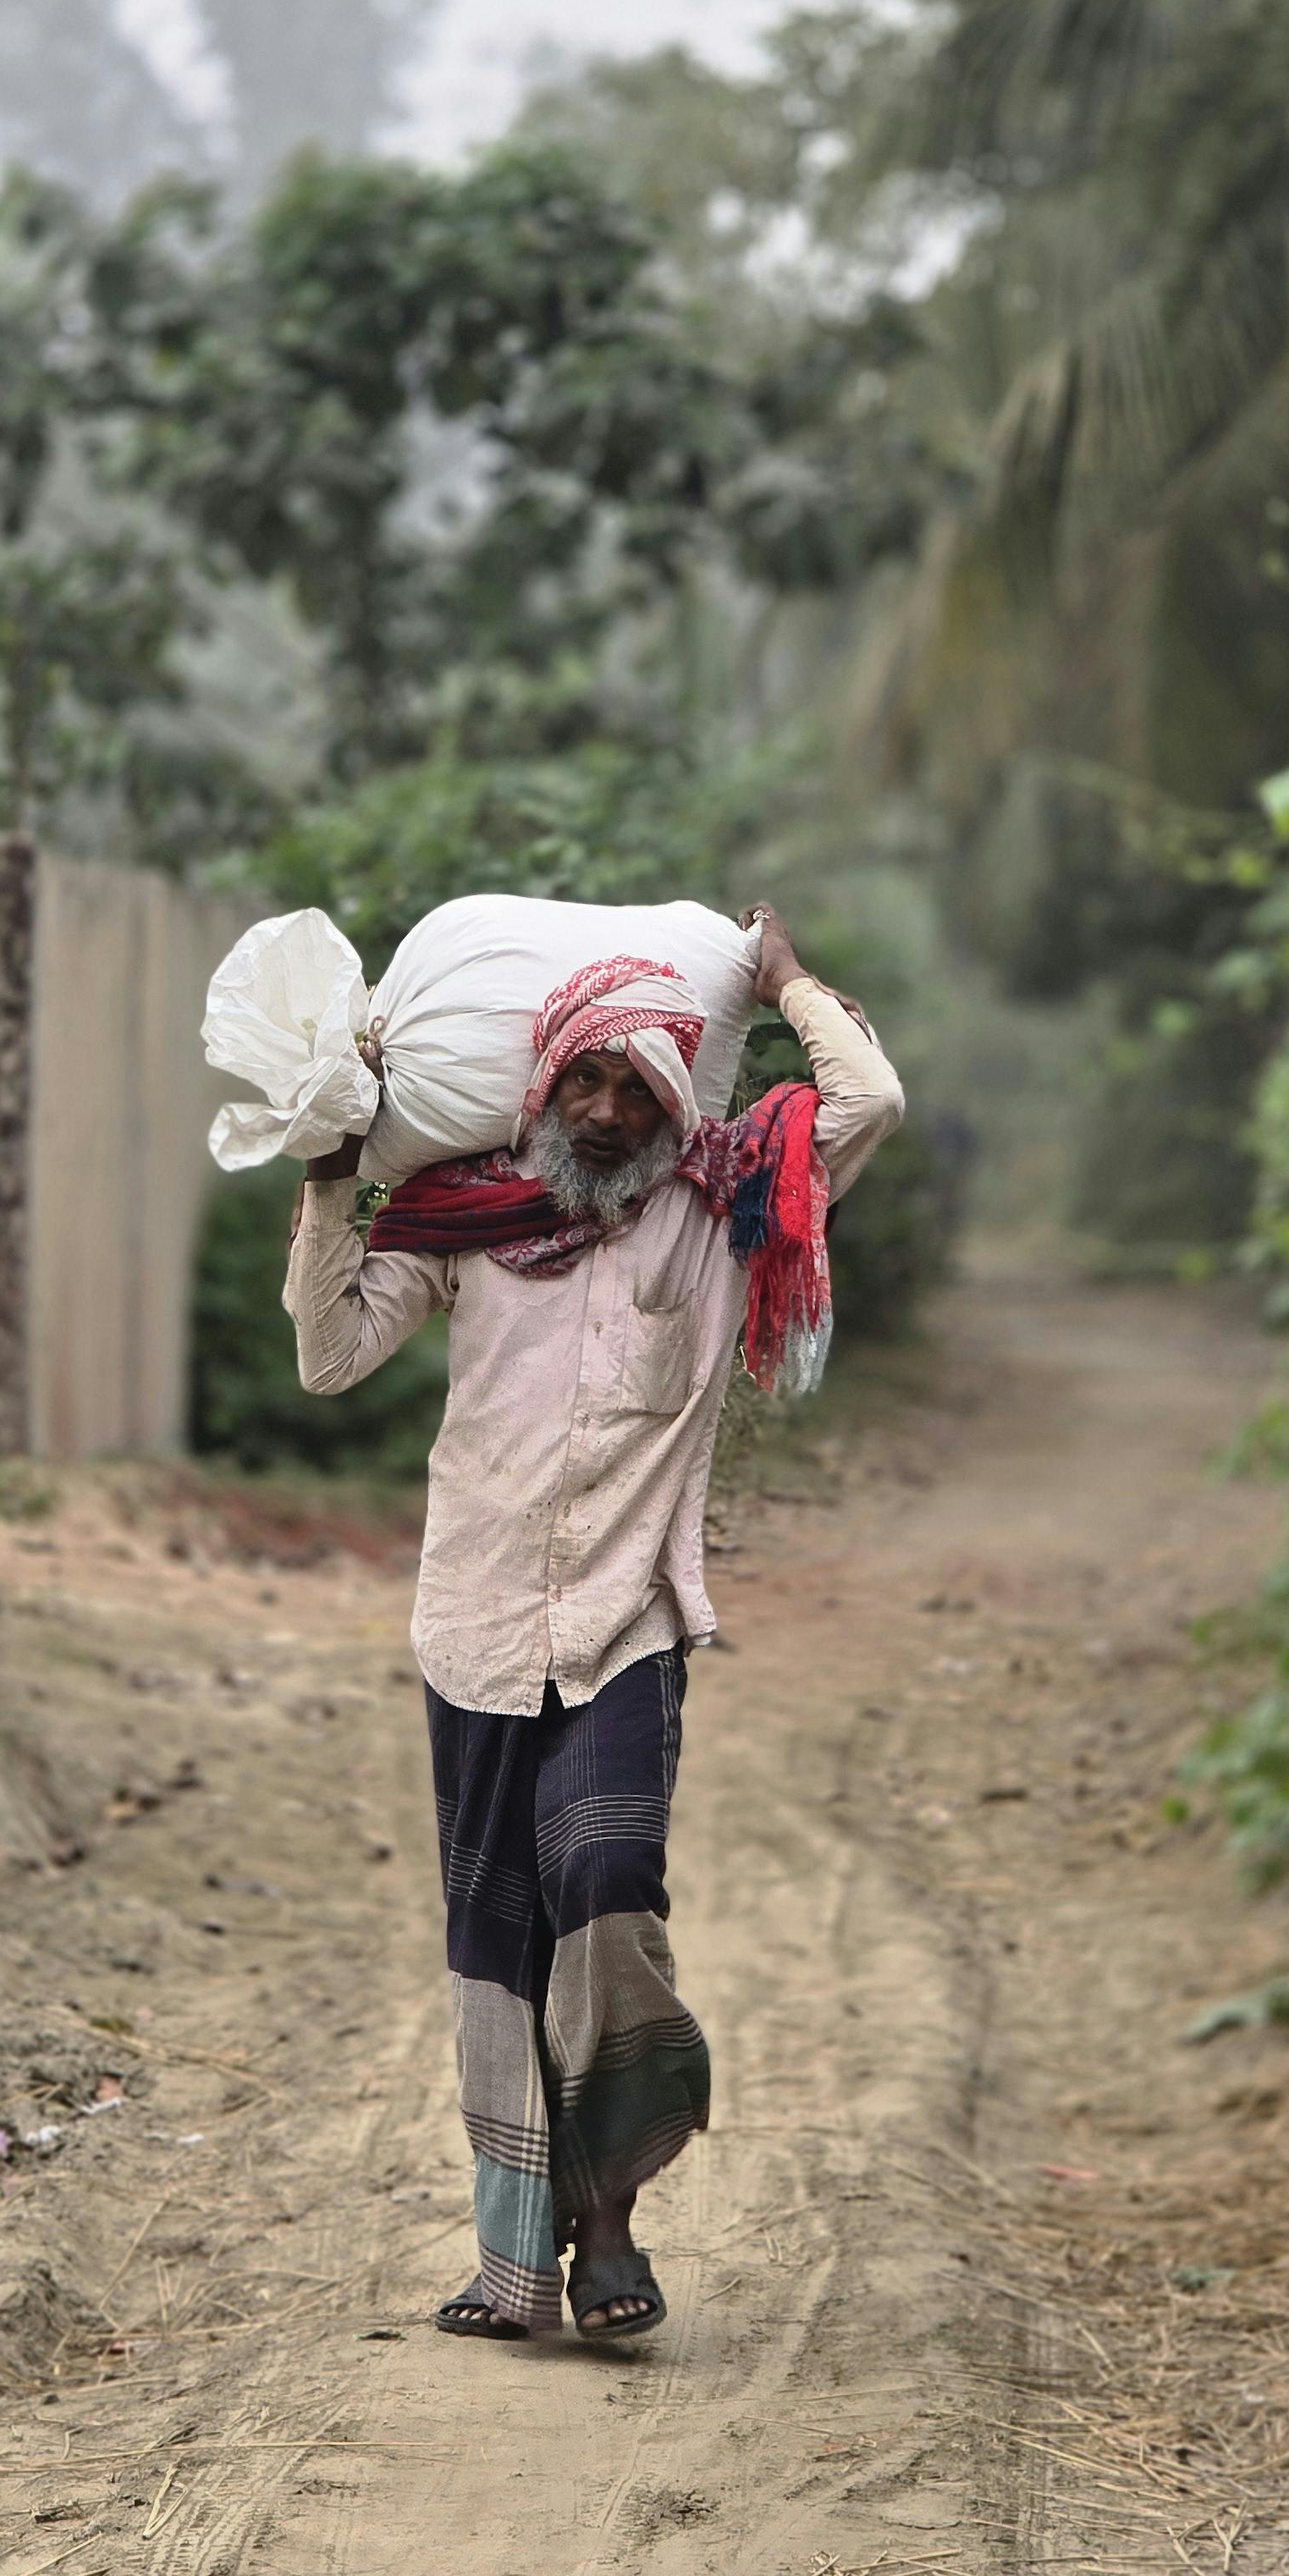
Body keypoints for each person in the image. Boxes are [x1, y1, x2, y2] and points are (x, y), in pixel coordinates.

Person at [284, 900, 905, 2345]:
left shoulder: (728, 1209)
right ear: (543, 1085)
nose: (613, 1111)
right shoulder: (470, 1221)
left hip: (628, 1622)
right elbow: (327, 1359)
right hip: (476, 1628)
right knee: (498, 1934)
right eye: (588, 1081)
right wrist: (330, 1179)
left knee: (607, 1878)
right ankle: (514, 2261)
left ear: (679, 1100)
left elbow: (868, 1097)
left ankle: (611, 2213)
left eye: (640, 1086)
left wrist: (789, 976)